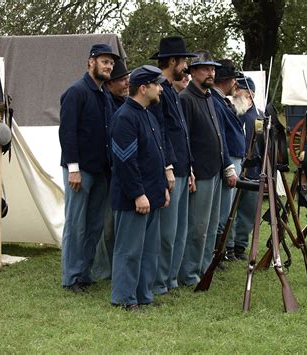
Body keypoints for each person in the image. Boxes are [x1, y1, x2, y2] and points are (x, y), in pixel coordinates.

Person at [59, 43, 119, 293]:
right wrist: (73, 168)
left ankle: (84, 274)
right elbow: (67, 133)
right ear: (91, 62)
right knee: (76, 225)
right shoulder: (75, 91)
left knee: (94, 225)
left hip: (101, 171)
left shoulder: (105, 95)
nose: (109, 66)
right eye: (105, 61)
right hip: (80, 171)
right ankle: (71, 278)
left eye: (111, 63)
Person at [110, 65, 170, 311]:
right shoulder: (125, 117)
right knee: (129, 251)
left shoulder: (147, 113)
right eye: (157, 84)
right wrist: (138, 194)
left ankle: (143, 296)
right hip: (133, 199)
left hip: (151, 195)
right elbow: (125, 162)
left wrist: (161, 189)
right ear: (143, 88)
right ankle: (125, 298)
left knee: (148, 251)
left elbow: (155, 155)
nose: (161, 89)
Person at [178, 50, 237, 286]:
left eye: (212, 69)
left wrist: (226, 165)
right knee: (197, 227)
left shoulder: (209, 97)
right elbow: (185, 138)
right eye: (205, 69)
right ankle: (190, 273)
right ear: (192, 72)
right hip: (200, 171)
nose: (211, 73)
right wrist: (190, 169)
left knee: (212, 226)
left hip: (214, 170)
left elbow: (218, 135)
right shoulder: (186, 99)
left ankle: (204, 268)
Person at [148, 36, 197, 296]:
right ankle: (159, 281)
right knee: (166, 233)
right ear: (172, 61)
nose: (186, 65)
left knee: (179, 230)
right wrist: (167, 166)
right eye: (184, 60)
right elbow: (161, 133)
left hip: (181, 168)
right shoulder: (160, 91)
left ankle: (171, 279)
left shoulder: (172, 91)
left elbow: (181, 133)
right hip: (169, 170)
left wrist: (188, 168)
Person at [92, 58, 132, 280]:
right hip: (106, 172)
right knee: (106, 226)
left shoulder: (125, 103)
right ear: (109, 84)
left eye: (127, 79)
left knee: (116, 226)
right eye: (122, 80)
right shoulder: (105, 103)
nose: (127, 83)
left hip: (120, 172)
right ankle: (101, 270)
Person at [212, 59, 245, 261]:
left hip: (233, 158)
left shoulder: (221, 100)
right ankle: (219, 252)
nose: (236, 85)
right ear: (228, 80)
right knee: (222, 212)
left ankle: (221, 251)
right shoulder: (217, 102)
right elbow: (221, 135)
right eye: (234, 80)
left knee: (226, 210)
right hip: (228, 159)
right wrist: (228, 166)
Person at [229, 76, 261, 260]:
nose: (235, 92)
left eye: (239, 89)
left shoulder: (260, 116)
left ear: (249, 94)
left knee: (248, 211)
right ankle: (229, 246)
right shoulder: (232, 113)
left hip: (254, 170)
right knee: (230, 210)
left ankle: (240, 245)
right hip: (235, 168)